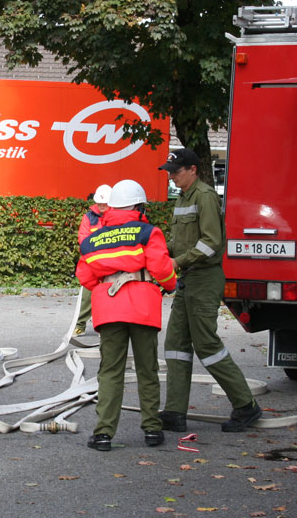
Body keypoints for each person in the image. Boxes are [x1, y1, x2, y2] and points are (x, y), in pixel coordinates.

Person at [158, 148, 262, 433]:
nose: (172, 176)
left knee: (206, 345)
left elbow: (211, 242)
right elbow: (180, 241)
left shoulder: (204, 196)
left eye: (176, 172)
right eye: (169, 172)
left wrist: (177, 262)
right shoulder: (182, 198)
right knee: (176, 345)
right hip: (188, 280)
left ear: (193, 170)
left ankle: (246, 405)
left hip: (204, 279)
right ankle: (175, 412)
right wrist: (157, 252)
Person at [76, 179, 177, 451]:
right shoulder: (149, 232)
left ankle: (103, 434)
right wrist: (171, 285)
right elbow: (162, 269)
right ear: (139, 207)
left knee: (110, 371)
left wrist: (107, 285)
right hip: (144, 308)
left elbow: (85, 276)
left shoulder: (94, 239)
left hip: (109, 309)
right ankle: (152, 430)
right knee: (147, 369)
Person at [74, 184, 111, 336]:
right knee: (87, 296)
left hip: (109, 262)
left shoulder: (115, 216)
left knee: (109, 295)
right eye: (99, 203)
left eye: (105, 203)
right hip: (92, 262)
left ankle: (104, 326)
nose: (102, 205)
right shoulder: (88, 217)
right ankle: (80, 325)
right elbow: (83, 239)